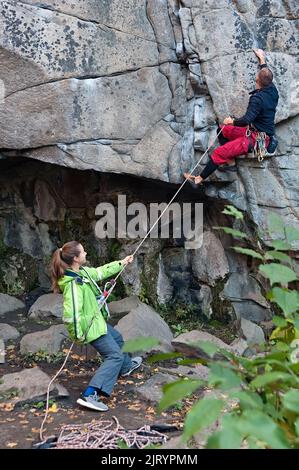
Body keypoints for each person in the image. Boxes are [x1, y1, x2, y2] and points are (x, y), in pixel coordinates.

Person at [50, 241, 142, 412]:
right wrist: (78, 334)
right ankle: (90, 394)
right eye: (83, 252)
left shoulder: (82, 273)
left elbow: (101, 272)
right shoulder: (73, 285)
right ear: (76, 259)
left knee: (117, 338)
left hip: (97, 321)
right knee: (114, 356)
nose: (86, 254)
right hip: (90, 327)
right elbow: (71, 315)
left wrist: (122, 263)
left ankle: (126, 367)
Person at [184, 48, 279, 186]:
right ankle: (230, 159)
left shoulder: (257, 99)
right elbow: (266, 75)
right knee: (223, 130)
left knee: (218, 153)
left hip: (257, 139)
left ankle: (199, 178)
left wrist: (232, 121)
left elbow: (246, 120)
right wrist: (262, 60)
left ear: (258, 82)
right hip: (254, 131)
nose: (256, 79)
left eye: (257, 78)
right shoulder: (272, 89)